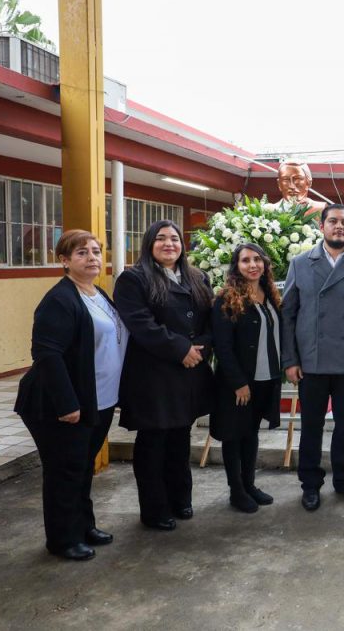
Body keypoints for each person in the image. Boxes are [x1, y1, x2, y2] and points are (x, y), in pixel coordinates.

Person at [15, 230, 127, 560]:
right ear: (64, 261)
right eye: (82, 253)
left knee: (81, 467)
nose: (92, 258)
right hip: (61, 405)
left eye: (96, 251)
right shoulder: (60, 299)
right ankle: (62, 539)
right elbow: (46, 353)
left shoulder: (96, 293)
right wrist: (67, 404)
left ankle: (83, 525)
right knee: (64, 471)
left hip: (98, 399)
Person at [281, 203, 344, 511]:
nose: (339, 226)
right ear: (322, 227)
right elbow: (288, 315)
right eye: (333, 221)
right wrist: (290, 359)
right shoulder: (300, 263)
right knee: (311, 426)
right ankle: (310, 484)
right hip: (311, 361)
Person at [114, 219, 215, 531]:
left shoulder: (197, 276)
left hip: (188, 373)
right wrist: (180, 349)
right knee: (153, 443)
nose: (169, 244)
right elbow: (141, 323)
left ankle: (180, 498)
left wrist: (201, 348)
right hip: (153, 376)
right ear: (149, 243)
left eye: (174, 238)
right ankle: (154, 508)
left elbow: (210, 320)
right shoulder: (134, 279)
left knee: (180, 439)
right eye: (161, 239)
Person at [211, 243, 285, 513]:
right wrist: (238, 383)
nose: (252, 265)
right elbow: (223, 346)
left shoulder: (270, 296)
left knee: (251, 434)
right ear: (236, 266)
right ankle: (237, 491)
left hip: (266, 378)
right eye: (245, 260)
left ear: (264, 264)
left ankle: (250, 484)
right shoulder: (227, 298)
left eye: (257, 259)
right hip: (240, 382)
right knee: (234, 435)